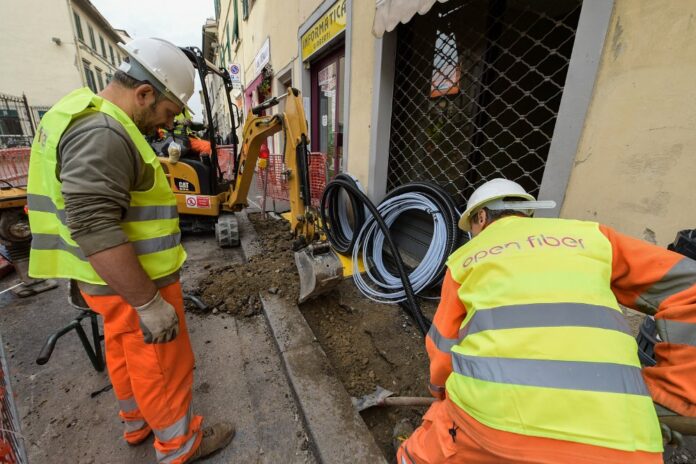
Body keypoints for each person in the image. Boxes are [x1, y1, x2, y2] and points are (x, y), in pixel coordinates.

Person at [26, 37, 234, 463]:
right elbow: (93, 224)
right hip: (134, 277)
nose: (164, 125)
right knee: (161, 363)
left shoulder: (79, 111)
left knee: (123, 350)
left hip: (102, 280)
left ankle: (137, 423)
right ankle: (180, 445)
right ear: (143, 93)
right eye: (167, 112)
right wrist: (149, 301)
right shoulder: (104, 132)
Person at [396, 178, 696, 463]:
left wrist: (439, 394)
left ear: (482, 217)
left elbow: (442, 349)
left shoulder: (466, 258)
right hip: (625, 441)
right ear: (527, 213)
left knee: (420, 452)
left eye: (472, 226)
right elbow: (690, 286)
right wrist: (671, 397)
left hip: (490, 424)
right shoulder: (593, 237)